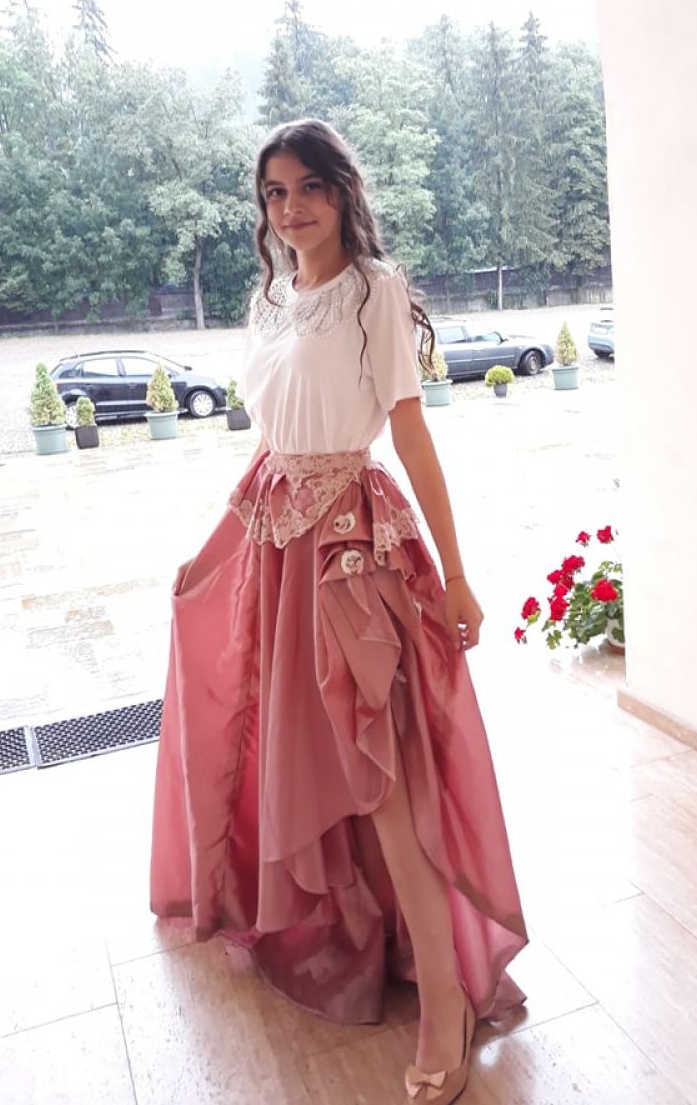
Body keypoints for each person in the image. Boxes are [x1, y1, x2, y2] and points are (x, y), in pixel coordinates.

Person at [150, 119, 527, 1104]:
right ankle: (362, 938)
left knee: (383, 774)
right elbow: (267, 450)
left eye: (309, 186)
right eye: (274, 193)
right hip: (277, 554)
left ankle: (445, 1002)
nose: (291, 208)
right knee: (308, 761)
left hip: (351, 555)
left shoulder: (374, 292)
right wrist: (210, 551)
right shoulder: (271, 300)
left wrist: (457, 575)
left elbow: (410, 434)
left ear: (343, 192)